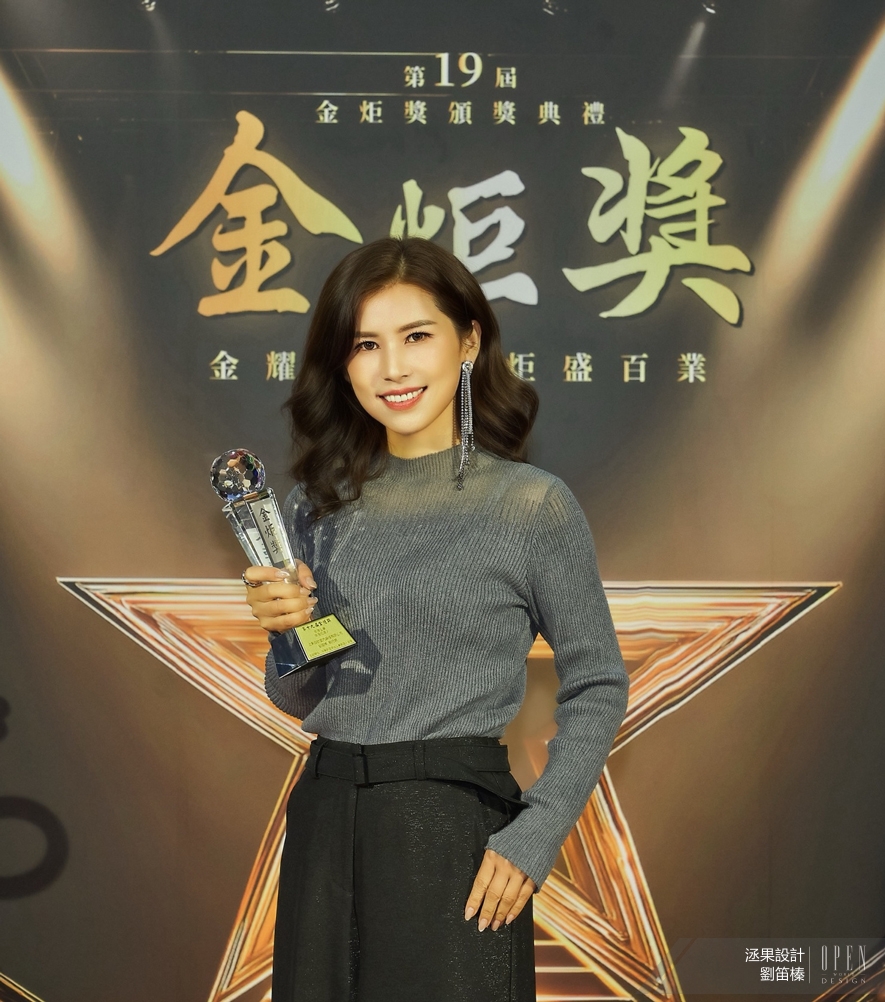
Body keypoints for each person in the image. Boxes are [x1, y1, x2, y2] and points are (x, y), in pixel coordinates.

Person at [242, 236, 629, 1002]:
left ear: (468, 341)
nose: (392, 367)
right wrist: (287, 633)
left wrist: (536, 832)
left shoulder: (529, 504)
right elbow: (299, 696)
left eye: (416, 336)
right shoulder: (315, 507)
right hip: (325, 821)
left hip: (453, 831)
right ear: (341, 362)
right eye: (365, 344)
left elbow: (598, 682)